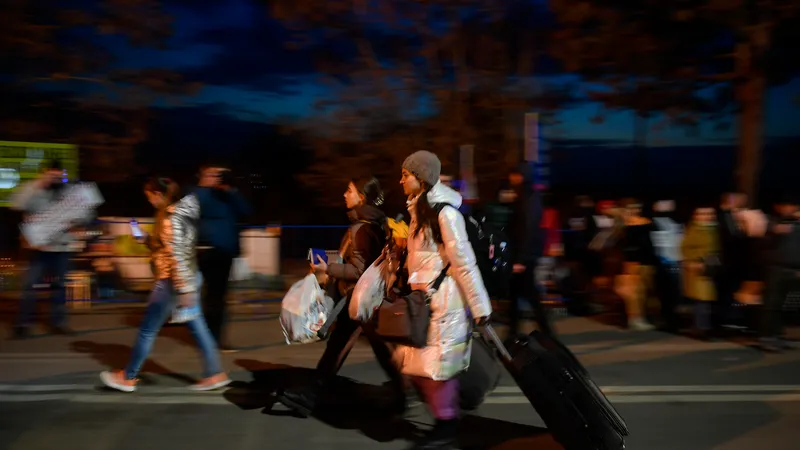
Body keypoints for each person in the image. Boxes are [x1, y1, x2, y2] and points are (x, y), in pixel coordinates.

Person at [277, 176, 408, 417]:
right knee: (351, 345)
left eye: (349, 190)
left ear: (362, 196)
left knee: (356, 346)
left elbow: (359, 270)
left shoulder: (362, 227)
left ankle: (404, 394)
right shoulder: (373, 223)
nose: (344, 195)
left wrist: (327, 268)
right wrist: (332, 264)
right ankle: (402, 394)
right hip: (365, 297)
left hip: (360, 297)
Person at [398, 150, 492, 449]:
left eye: (406, 175)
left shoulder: (445, 213)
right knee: (422, 364)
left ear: (422, 178)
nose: (401, 181)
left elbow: (463, 263)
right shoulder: (419, 212)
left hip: (444, 302)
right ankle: (447, 416)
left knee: (436, 367)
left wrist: (480, 308)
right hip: (425, 301)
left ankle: (447, 422)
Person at [99, 177, 230, 392]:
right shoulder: (181, 213)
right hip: (187, 278)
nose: (149, 202)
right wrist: (146, 240)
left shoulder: (170, 218)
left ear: (158, 194)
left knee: (147, 330)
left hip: (172, 282)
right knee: (198, 328)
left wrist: (184, 289)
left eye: (149, 197)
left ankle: (128, 377)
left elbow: (176, 255)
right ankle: (215, 373)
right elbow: (169, 246)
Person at [10, 159, 91, 338]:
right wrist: (39, 184)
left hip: (61, 246)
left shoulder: (69, 191)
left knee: (60, 286)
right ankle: (23, 324)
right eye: (51, 174)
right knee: (29, 286)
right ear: (44, 172)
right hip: (38, 246)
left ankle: (58, 322)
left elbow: (86, 214)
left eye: (59, 174)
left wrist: (77, 222)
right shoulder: (33, 188)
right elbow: (17, 204)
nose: (55, 178)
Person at [194, 165, 252, 352]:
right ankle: (208, 338)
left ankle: (215, 338)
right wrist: (206, 186)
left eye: (219, 175)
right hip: (207, 250)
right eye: (211, 174)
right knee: (209, 296)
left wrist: (231, 190)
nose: (216, 178)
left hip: (226, 252)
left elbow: (246, 210)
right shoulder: (199, 194)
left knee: (219, 297)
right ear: (202, 177)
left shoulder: (227, 195)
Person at [505, 164, 551, 337]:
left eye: (515, 174)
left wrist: (520, 259)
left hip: (525, 255)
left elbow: (527, 229)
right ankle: (513, 332)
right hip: (523, 253)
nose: (512, 178)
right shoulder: (523, 194)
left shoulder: (528, 196)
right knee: (517, 294)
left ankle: (545, 332)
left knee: (529, 294)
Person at [759, 197, 800, 352]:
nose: (790, 208)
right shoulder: (771, 222)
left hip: (794, 270)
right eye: (786, 205)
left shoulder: (797, 224)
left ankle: (779, 336)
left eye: (793, 205)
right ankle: (767, 338)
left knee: (787, 306)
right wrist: (774, 231)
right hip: (776, 269)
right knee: (772, 304)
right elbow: (761, 244)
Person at [681, 207, 721, 340]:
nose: (706, 216)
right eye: (702, 213)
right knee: (702, 301)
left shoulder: (715, 228)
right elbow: (685, 248)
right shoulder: (694, 229)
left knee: (707, 301)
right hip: (699, 269)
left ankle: (703, 327)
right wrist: (694, 261)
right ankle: (701, 329)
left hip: (713, 267)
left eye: (709, 213)